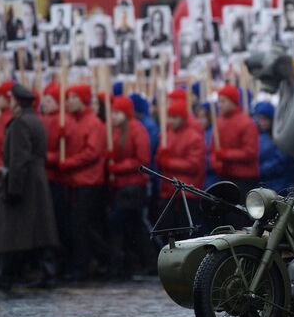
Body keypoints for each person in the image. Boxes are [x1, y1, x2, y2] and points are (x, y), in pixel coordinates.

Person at [0, 84, 59, 290]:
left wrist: (13, 188)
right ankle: (43, 272)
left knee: (11, 231)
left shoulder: (19, 124)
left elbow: (18, 159)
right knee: (37, 231)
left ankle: (5, 273)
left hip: (23, 181)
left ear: (16, 101)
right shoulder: (35, 121)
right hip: (36, 179)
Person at [58, 85, 109, 280]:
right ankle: (87, 262)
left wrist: (68, 163)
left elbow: (92, 152)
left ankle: (92, 262)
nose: (68, 101)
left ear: (82, 99)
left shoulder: (93, 123)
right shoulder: (75, 121)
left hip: (89, 182)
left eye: (72, 97)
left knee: (83, 225)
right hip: (77, 181)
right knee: (78, 225)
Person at [106, 95, 151, 279]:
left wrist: (116, 167)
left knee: (123, 224)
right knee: (132, 227)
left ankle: (131, 262)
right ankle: (137, 262)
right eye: (113, 113)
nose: (114, 116)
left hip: (133, 187)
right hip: (121, 186)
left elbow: (142, 160)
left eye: (118, 113)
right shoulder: (116, 130)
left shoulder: (137, 130)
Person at [155, 100, 206, 234]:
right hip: (169, 191)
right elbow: (160, 163)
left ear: (183, 118)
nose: (171, 121)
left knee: (185, 232)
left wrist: (168, 162)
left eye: (174, 117)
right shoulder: (166, 135)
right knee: (167, 230)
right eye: (169, 117)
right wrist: (160, 158)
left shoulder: (194, 137)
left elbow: (194, 165)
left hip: (187, 192)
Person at [41, 83, 74, 273]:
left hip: (59, 179)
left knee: (60, 222)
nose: (44, 103)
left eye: (48, 100)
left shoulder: (64, 121)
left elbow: (67, 152)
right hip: (48, 177)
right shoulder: (43, 119)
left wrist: (47, 158)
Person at [211, 85, 259, 204]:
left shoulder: (246, 123)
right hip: (224, 177)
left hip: (243, 179)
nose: (219, 105)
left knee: (239, 217)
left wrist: (225, 155)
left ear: (233, 101)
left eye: (223, 101)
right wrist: (215, 163)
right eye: (218, 101)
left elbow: (250, 152)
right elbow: (213, 149)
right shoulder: (219, 122)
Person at [254, 102, 294, 193]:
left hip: (280, 184)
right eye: (260, 119)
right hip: (263, 184)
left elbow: (281, 160)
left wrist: (260, 170)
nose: (262, 122)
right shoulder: (260, 136)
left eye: (265, 119)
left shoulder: (280, 137)